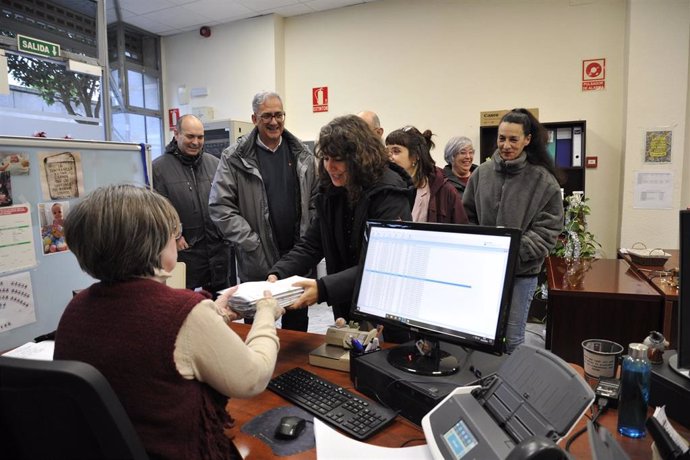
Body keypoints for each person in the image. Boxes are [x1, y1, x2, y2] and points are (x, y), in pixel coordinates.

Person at [53, 184, 284, 460]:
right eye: (173, 234)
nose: (178, 241)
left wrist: (214, 316)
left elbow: (146, 343)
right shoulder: (184, 312)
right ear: (150, 244)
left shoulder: (76, 308)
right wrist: (266, 314)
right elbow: (252, 378)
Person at [267, 114, 414, 323]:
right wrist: (278, 274)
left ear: (358, 158)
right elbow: (312, 244)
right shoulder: (332, 190)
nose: (329, 167)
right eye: (326, 158)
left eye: (337, 160)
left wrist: (323, 288)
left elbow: (384, 264)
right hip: (347, 301)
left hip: (386, 308)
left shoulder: (388, 192)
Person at [209, 91, 318, 332]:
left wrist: (309, 238)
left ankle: (295, 370)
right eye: (267, 116)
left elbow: (316, 201)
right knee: (257, 326)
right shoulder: (234, 158)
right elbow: (220, 206)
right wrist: (251, 241)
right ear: (254, 118)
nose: (274, 121)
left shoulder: (303, 156)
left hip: (297, 257)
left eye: (279, 115)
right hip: (257, 260)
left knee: (297, 326)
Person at [463, 108, 564, 353]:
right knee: (479, 334)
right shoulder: (481, 174)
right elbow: (467, 216)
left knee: (513, 337)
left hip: (522, 273)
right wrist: (481, 249)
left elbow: (548, 230)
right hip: (484, 271)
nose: (506, 145)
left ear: (527, 140)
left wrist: (512, 251)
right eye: (501, 138)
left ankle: (510, 389)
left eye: (513, 139)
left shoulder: (543, 180)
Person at [153, 114, 231, 295]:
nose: (196, 142)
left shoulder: (215, 164)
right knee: (181, 309)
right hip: (183, 253)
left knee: (220, 309)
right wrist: (174, 234)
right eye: (190, 136)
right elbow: (157, 211)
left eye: (200, 137)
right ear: (176, 134)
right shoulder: (158, 169)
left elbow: (226, 201)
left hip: (216, 251)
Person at [386, 126, 467, 224]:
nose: (389, 157)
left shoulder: (445, 191)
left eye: (396, 151)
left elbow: (461, 230)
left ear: (415, 156)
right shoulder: (386, 187)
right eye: (387, 151)